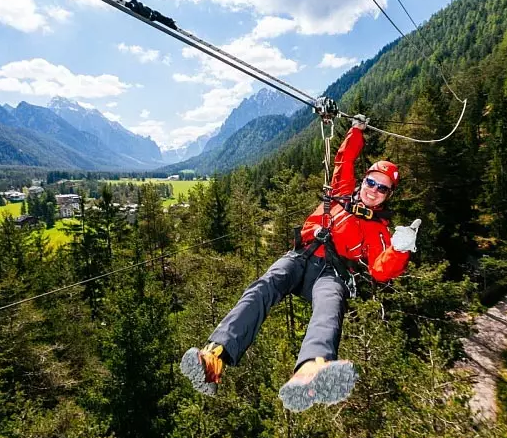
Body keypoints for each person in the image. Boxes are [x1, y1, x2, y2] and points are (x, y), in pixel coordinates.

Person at [180, 117, 421, 412]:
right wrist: (356, 131)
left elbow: (380, 270)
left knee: (329, 307)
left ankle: (312, 368)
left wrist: (399, 249)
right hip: (302, 256)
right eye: (371, 182)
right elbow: (344, 159)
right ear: (363, 180)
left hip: (333, 274)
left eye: (382, 188)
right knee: (264, 286)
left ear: (388, 195)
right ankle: (214, 357)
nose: (373, 190)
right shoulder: (342, 190)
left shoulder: (380, 230)